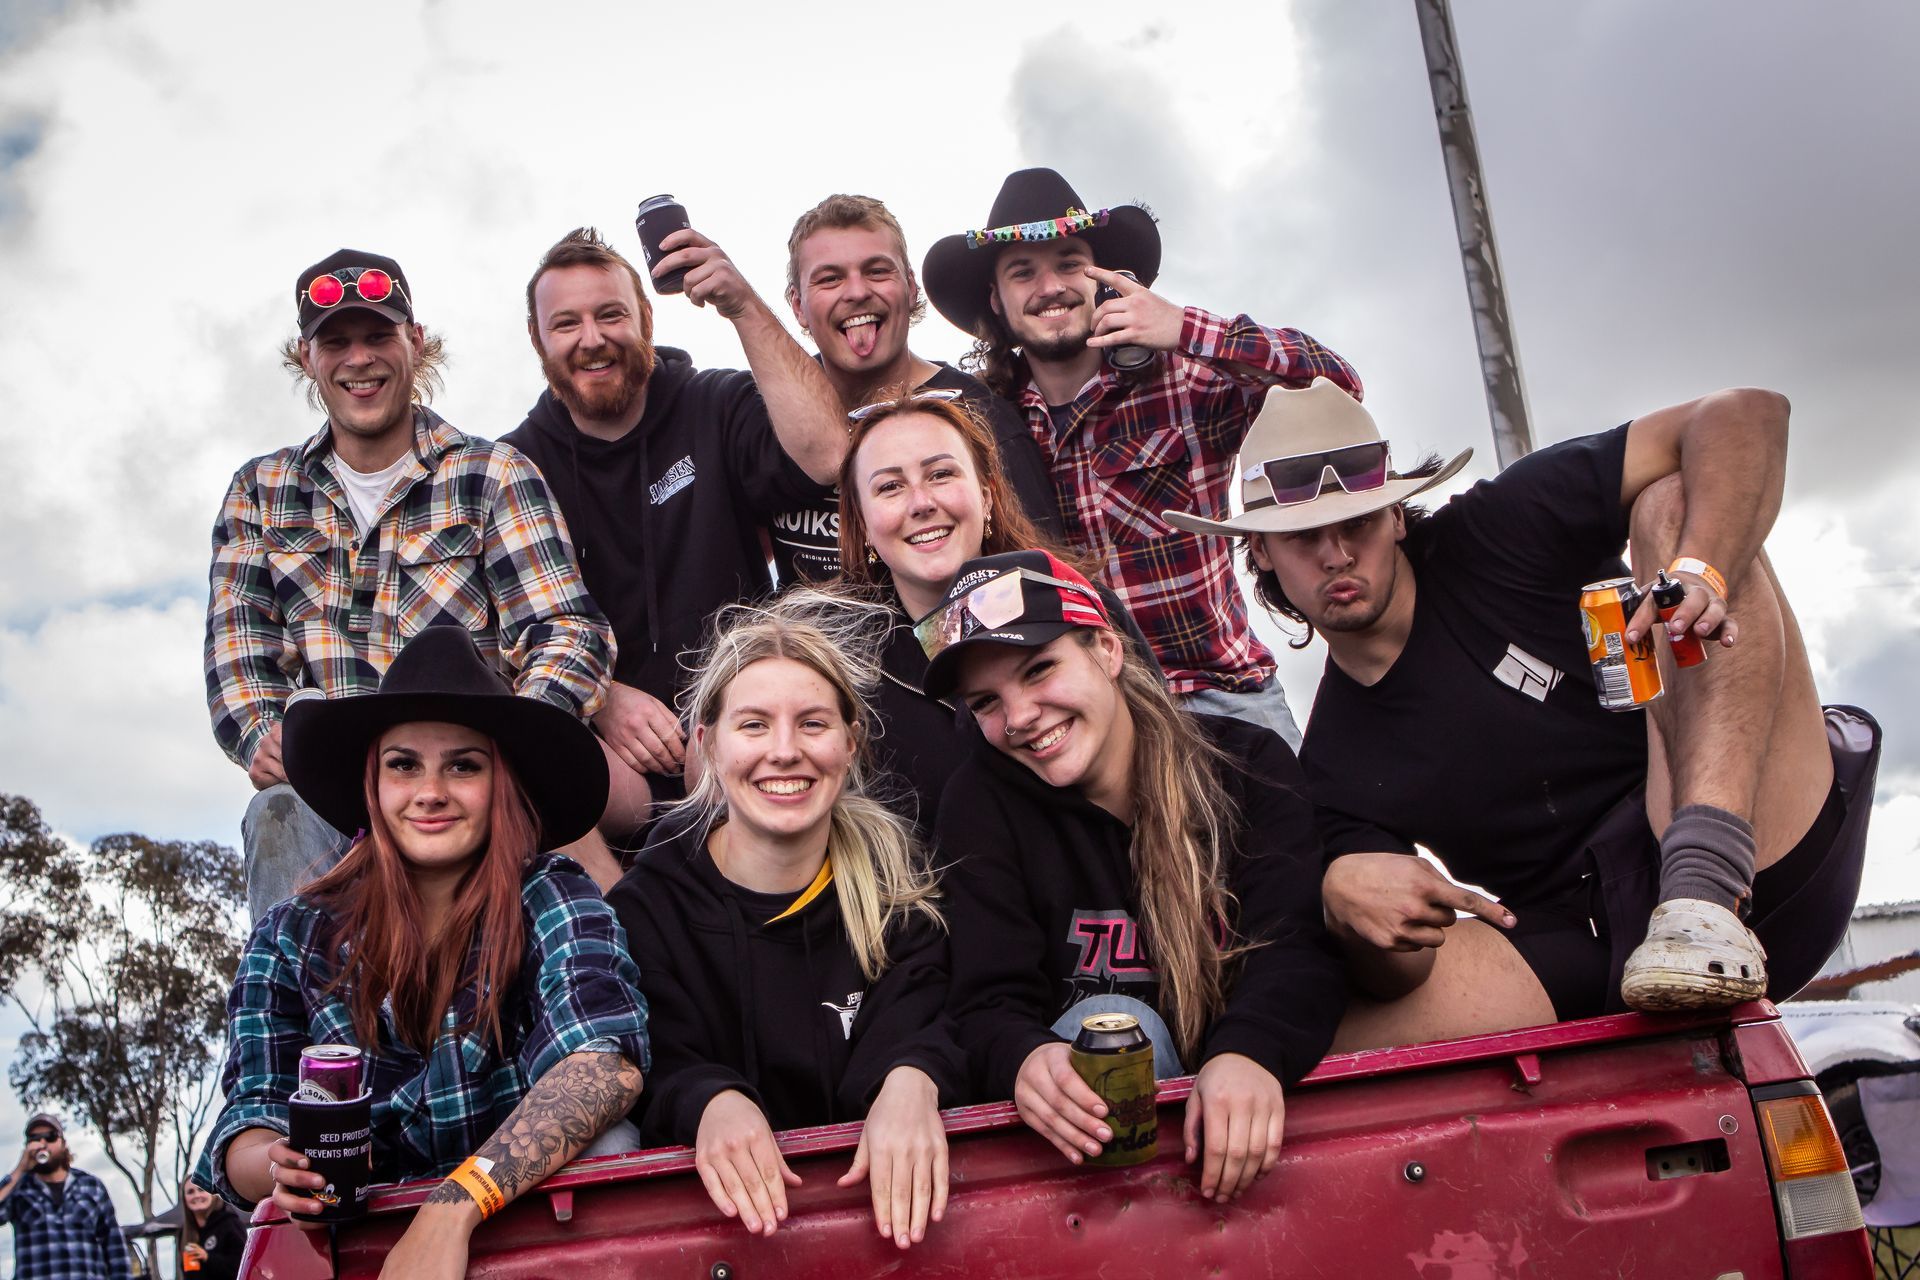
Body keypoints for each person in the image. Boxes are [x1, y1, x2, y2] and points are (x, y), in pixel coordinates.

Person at [1167, 378, 1879, 1044]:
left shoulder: (1504, 526)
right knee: (1298, 1039)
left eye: (1356, 522)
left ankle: (1703, 895)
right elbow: (1403, 973)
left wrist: (1699, 571)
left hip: (1760, 851)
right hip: (1600, 944)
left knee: (1672, 500)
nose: (1334, 554)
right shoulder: (1335, 762)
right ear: (1258, 551)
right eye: (1301, 536)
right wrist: (1348, 905)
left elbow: (1747, 414)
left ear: (1395, 516)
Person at [197, 626, 649, 1280]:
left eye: (463, 765)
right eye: (404, 764)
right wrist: (278, 1161)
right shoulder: (291, 935)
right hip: (354, 1237)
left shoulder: (552, 894)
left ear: (501, 783)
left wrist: (453, 1209)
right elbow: (248, 1118)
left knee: (609, 1139)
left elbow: (605, 1068)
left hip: (527, 1227)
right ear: (372, 784)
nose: (430, 792)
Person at [207, 249, 619, 916]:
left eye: (378, 336)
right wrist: (269, 738)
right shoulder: (260, 491)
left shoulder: (492, 474)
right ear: (306, 358)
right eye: (335, 342)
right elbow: (240, 660)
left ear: (415, 341)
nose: (359, 359)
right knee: (278, 812)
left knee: (567, 898)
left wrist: (512, 746)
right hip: (330, 793)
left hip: (465, 791)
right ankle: (304, 1012)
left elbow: (566, 629)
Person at [925, 552, 1346, 1204]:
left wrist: (1250, 1053)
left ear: (1107, 650)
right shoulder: (977, 802)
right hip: (1088, 1159)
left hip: (1244, 1121)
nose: (1020, 718)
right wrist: (1024, 1060)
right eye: (987, 702)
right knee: (1112, 1024)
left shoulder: (1244, 765)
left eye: (1039, 670)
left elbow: (1295, 947)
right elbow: (984, 1002)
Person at [922, 168, 1364, 748]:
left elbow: (1336, 390)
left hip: (1217, 696)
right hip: (1073, 711)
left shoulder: (1184, 378)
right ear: (997, 302)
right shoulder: (981, 422)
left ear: (1106, 279)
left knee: (1294, 836)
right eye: (1022, 272)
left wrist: (1186, 327)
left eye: (1068, 262)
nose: (1049, 285)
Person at [607, 591, 964, 1249]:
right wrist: (711, 1102)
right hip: (725, 1241)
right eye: (753, 725)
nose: (784, 751)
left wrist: (913, 1080)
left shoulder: (899, 893)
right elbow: (652, 1060)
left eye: (812, 724)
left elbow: (934, 1020)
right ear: (709, 746)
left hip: (880, 1233)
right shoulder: (646, 910)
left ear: (851, 744)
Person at [504, 226, 848, 820]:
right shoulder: (514, 466)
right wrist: (598, 695)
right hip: (605, 753)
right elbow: (499, 633)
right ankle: (612, 914)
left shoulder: (714, 404)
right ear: (537, 340)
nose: (592, 340)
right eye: (566, 324)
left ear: (646, 319)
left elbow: (828, 455)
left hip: (743, 723)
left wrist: (741, 306)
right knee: (524, 763)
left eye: (611, 315)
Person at [833, 391, 1157, 834]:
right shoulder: (845, 669)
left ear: (986, 497)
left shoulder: (1073, 600)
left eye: (941, 474)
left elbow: (1166, 755)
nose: (921, 502)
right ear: (863, 525)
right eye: (890, 486)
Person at [769, 194, 1063, 583]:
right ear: (797, 305)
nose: (856, 292)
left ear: (910, 287)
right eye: (830, 278)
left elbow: (1049, 580)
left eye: (876, 271)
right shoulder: (765, 416)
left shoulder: (985, 419)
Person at [0, 1113, 131, 1280]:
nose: (43, 1144)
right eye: (35, 1139)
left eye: (50, 1137)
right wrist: (19, 1170)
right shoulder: (19, 1189)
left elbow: (115, 1248)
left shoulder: (91, 1186)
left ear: (63, 1143)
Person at [178, 1178, 242, 1280]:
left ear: (212, 1193)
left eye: (201, 1189)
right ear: (184, 1198)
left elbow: (241, 1267)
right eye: (190, 1192)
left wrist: (207, 1257)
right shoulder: (184, 1233)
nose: (196, 1195)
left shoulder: (230, 1222)